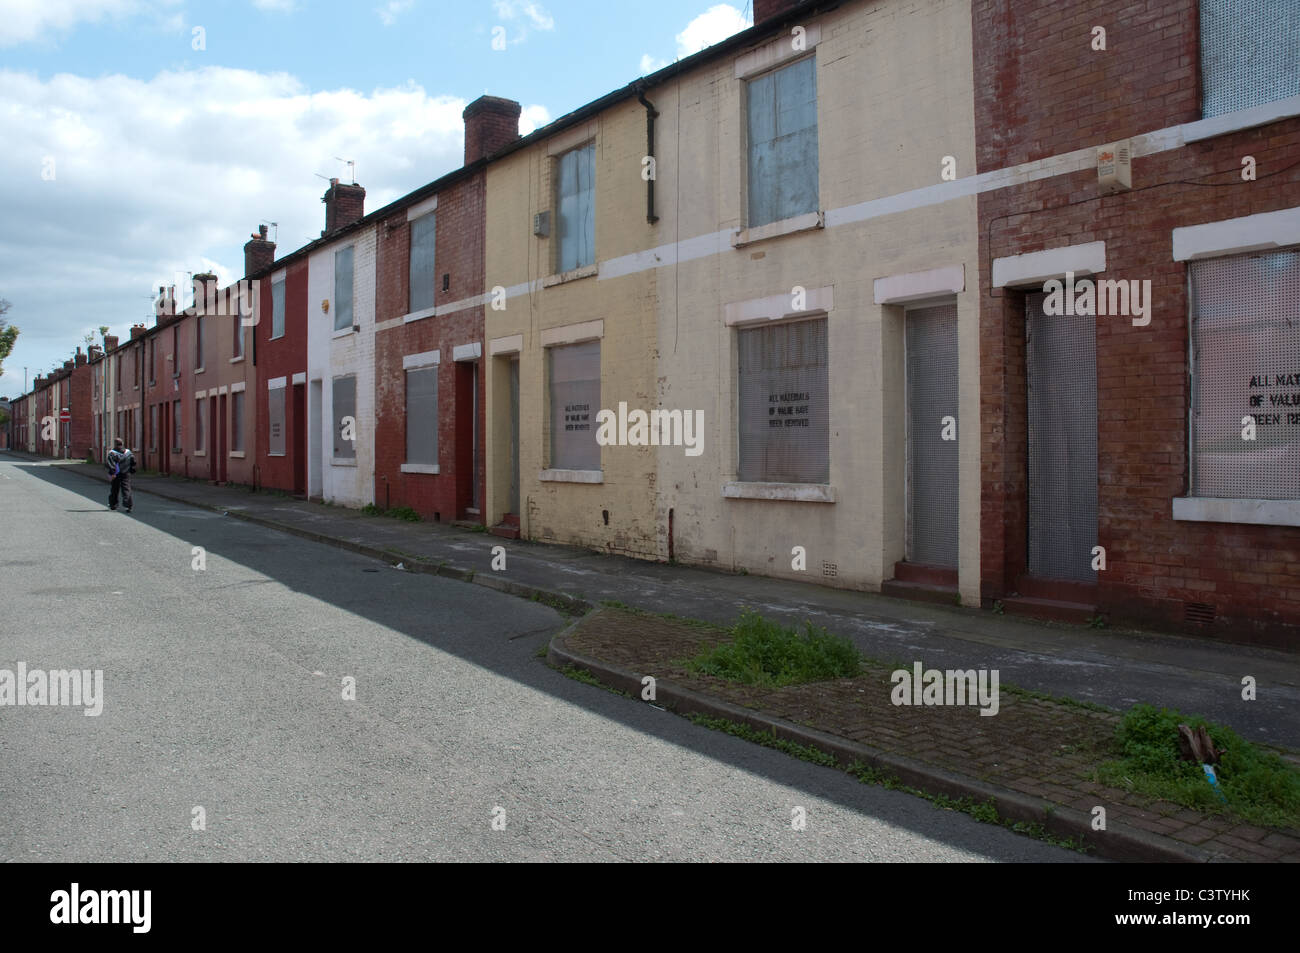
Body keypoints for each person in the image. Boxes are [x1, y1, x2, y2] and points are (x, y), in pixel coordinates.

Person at [106, 438, 136, 513]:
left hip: (116, 474)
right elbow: (133, 462)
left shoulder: (112, 453)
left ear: (115, 444)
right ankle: (128, 505)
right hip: (126, 473)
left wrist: (112, 473)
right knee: (126, 489)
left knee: (114, 489)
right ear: (122, 444)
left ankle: (113, 505)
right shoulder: (128, 452)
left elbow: (111, 464)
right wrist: (131, 470)